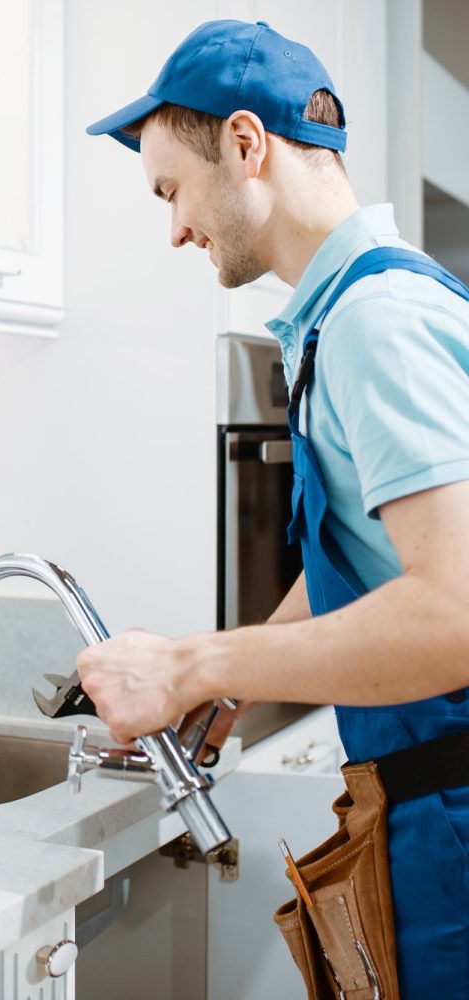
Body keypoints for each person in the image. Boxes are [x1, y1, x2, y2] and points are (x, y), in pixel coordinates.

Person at [81, 18, 469, 999]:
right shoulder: (348, 313)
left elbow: (454, 611)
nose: (172, 228)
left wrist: (189, 662)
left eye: (170, 189)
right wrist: (241, 674)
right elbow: (373, 554)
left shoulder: (375, 324)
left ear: (246, 145)